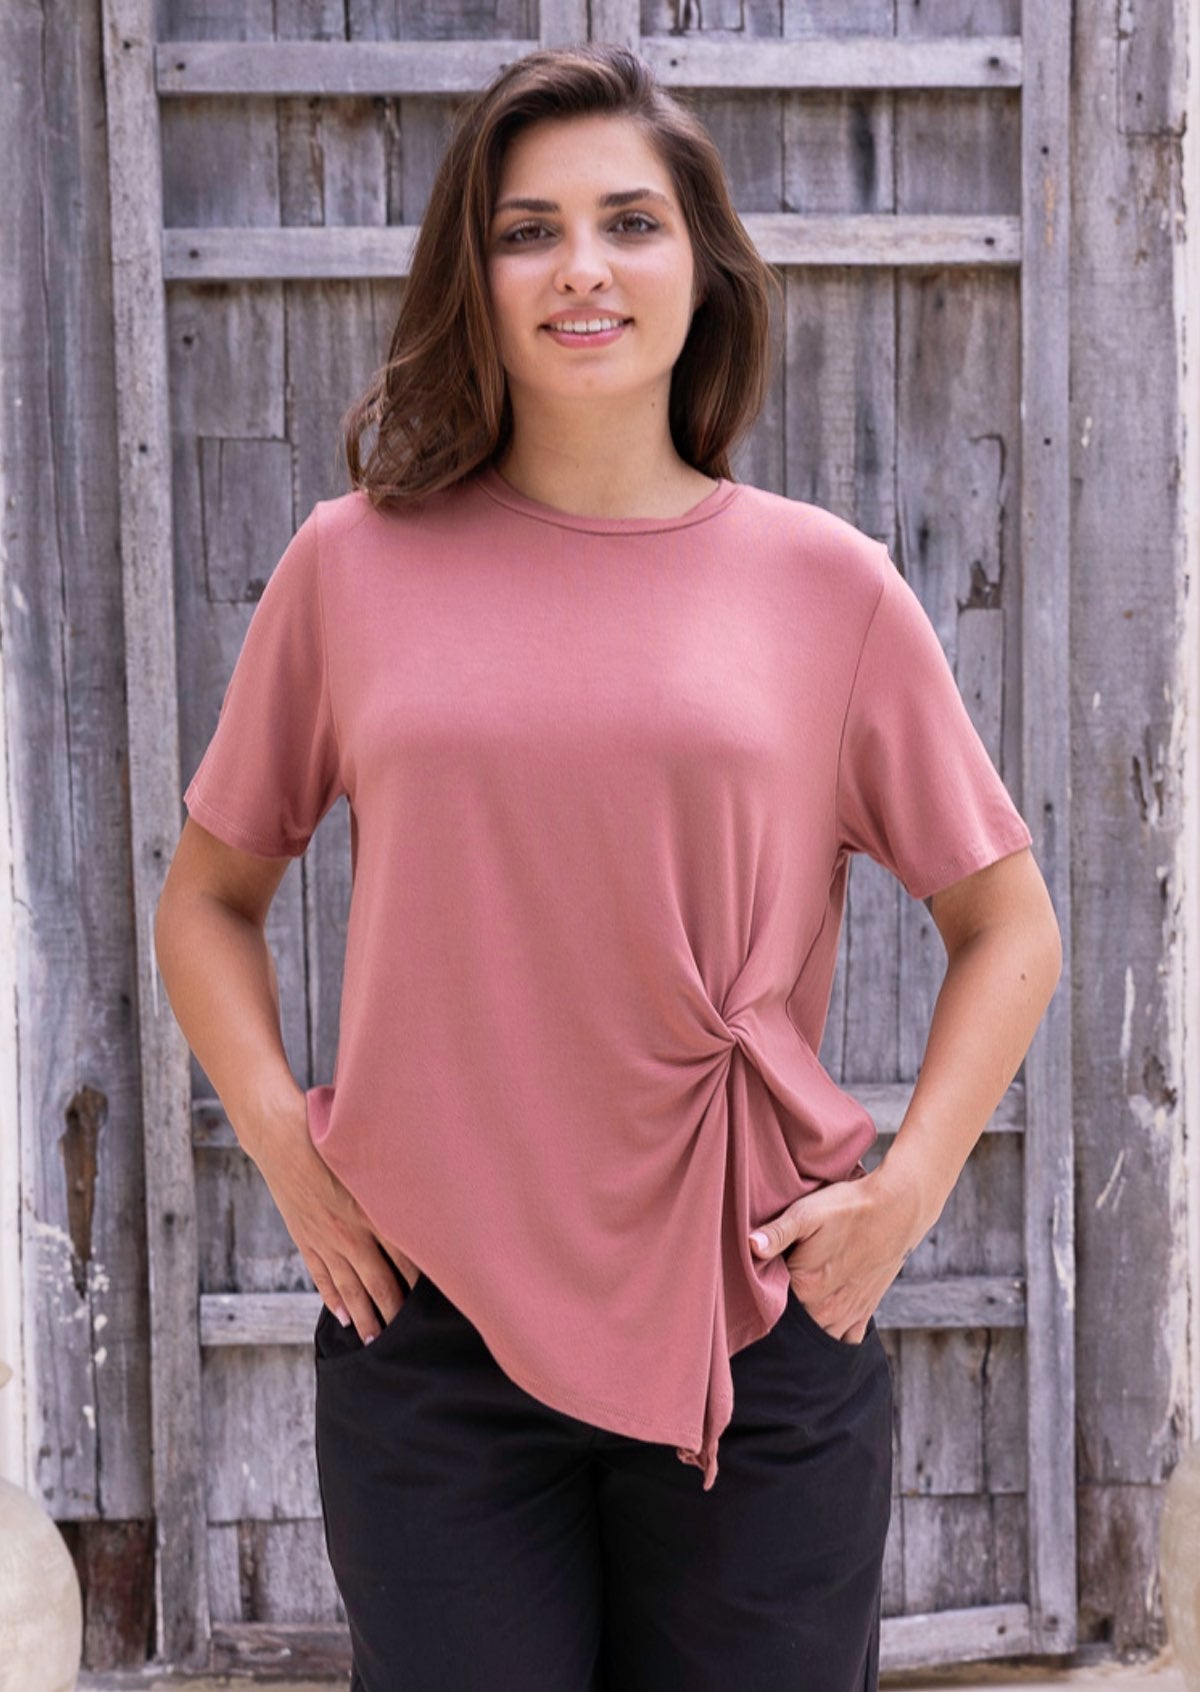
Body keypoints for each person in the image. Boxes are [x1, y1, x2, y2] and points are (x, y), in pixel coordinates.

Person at [154, 41, 1063, 1692]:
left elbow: (1008, 925)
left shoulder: (829, 590)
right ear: (477, 275)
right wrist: (288, 1150)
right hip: (431, 1337)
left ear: (701, 270)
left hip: (759, 1326)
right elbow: (207, 899)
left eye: (630, 222)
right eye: (527, 229)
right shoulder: (349, 568)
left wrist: (908, 1192)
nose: (582, 266)